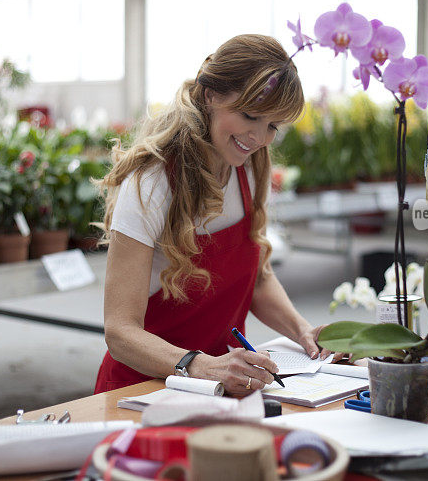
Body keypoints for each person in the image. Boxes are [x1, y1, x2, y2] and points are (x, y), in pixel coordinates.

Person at [94, 34, 333, 396]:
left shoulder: (249, 170)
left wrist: (303, 331)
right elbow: (120, 332)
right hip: (141, 392)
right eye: (250, 115)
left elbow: (258, 277)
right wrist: (202, 365)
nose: (258, 137)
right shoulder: (152, 182)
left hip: (220, 388)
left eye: (273, 126)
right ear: (210, 95)